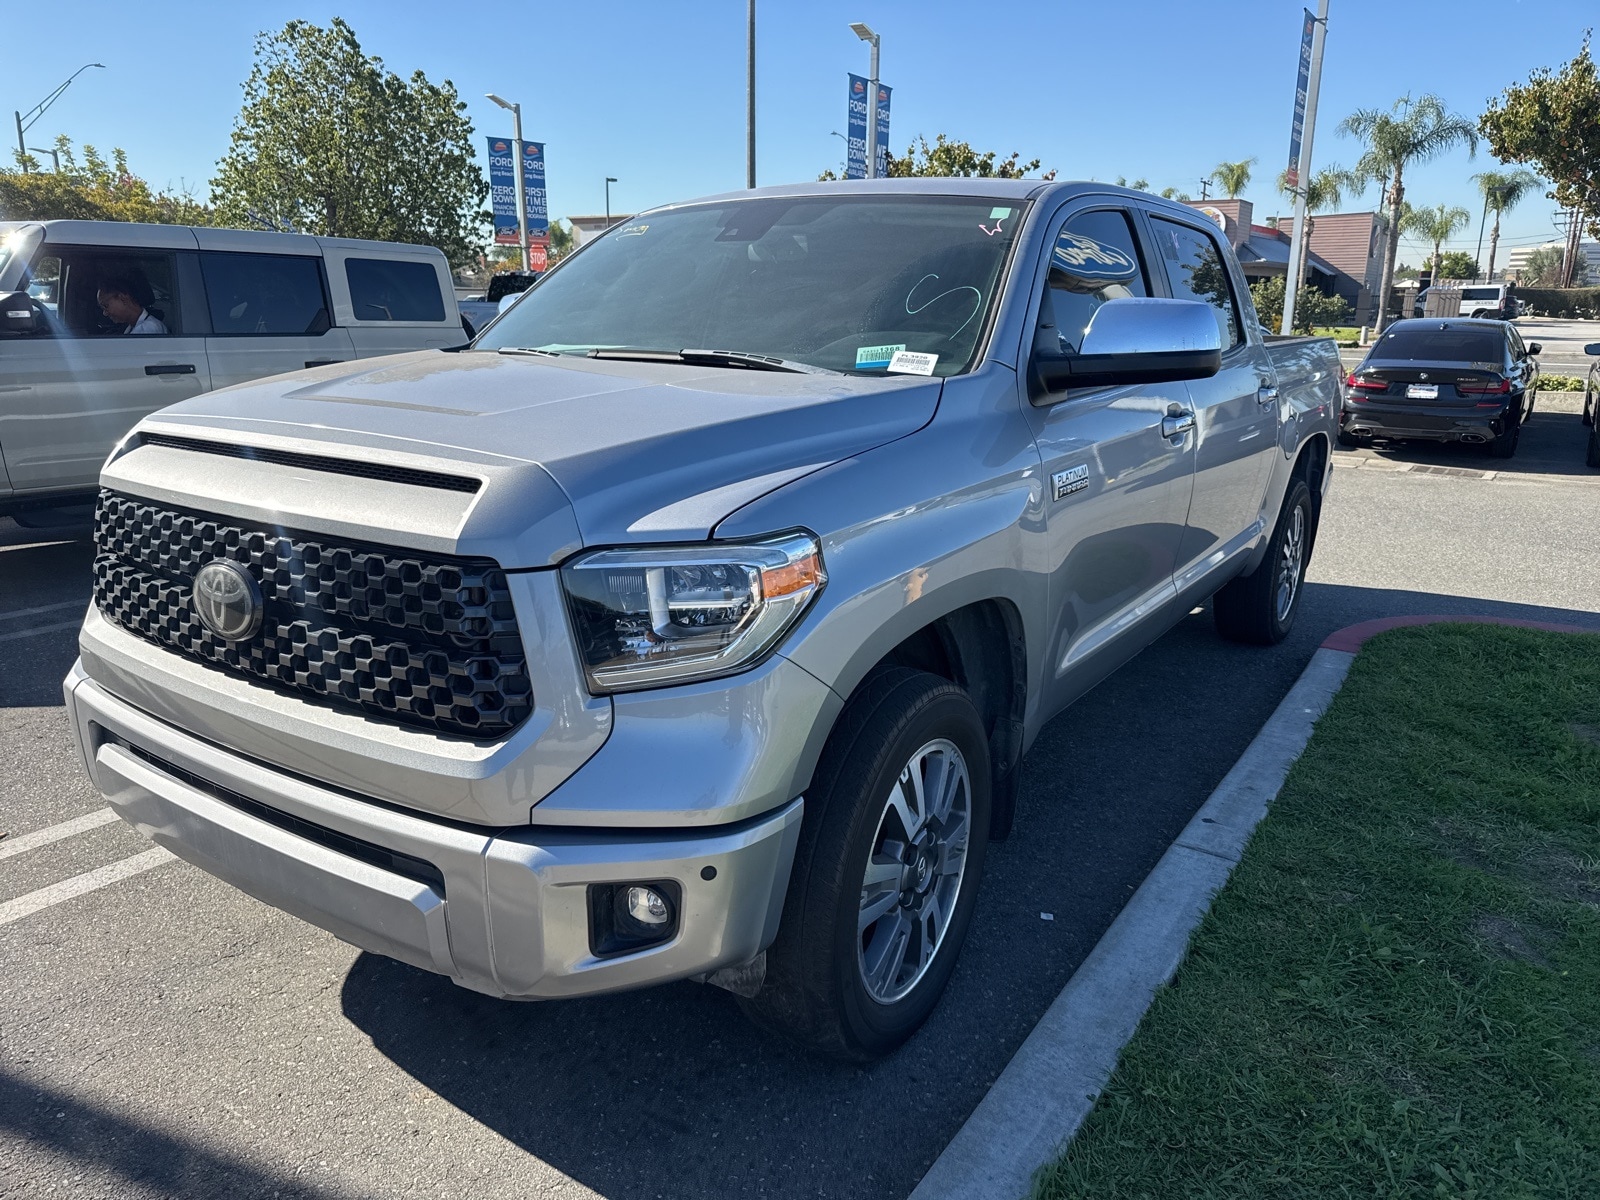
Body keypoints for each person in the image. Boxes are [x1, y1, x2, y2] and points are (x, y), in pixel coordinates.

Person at [96, 273, 167, 335]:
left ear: (123, 298)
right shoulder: (131, 327)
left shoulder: (147, 329)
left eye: (106, 306)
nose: (105, 313)